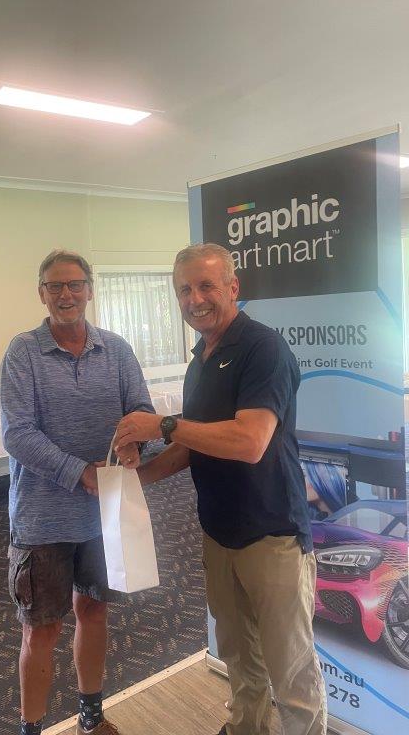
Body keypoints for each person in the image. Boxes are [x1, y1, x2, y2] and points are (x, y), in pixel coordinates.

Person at [115, 243, 327, 735]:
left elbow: (249, 442)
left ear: (233, 287)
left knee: (290, 669)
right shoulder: (200, 361)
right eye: (184, 290)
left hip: (272, 534)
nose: (195, 299)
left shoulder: (262, 348)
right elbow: (193, 445)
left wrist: (162, 424)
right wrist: (132, 480)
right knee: (238, 656)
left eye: (206, 285)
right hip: (218, 533)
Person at [0, 249, 153, 735]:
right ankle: (32, 728)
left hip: (103, 515)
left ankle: (91, 714)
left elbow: (141, 410)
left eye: (75, 284)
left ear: (89, 289)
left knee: (94, 610)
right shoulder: (23, 352)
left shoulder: (117, 349)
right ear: (41, 293)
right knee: (41, 629)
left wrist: (135, 444)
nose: (66, 294)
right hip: (43, 519)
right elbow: (17, 434)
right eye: (55, 286)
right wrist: (80, 472)